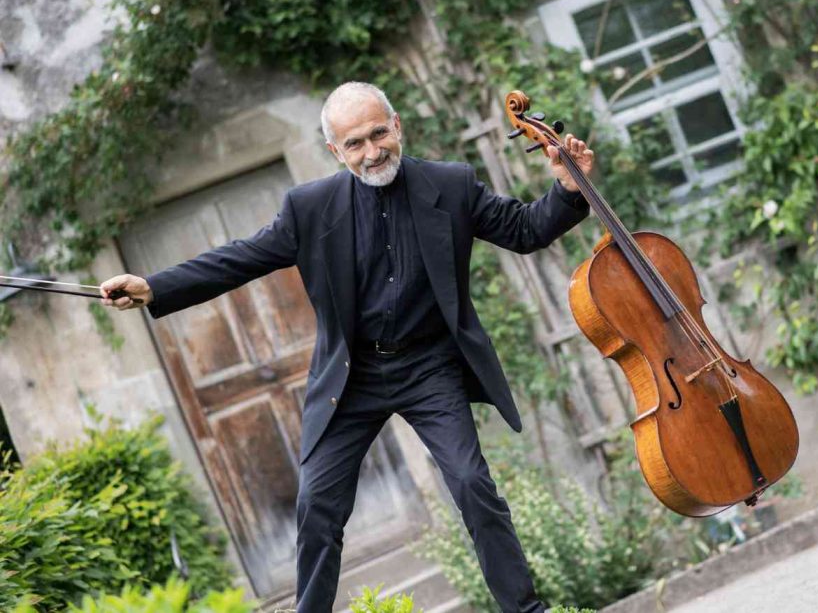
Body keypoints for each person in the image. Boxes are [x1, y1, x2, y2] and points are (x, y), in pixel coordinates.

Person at [100, 81, 594, 613]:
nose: (372, 151)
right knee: (317, 507)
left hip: (430, 367)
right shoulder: (310, 209)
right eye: (354, 143)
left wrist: (568, 191)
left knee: (474, 484)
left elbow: (523, 230)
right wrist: (155, 286)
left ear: (397, 125)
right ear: (335, 151)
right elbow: (238, 258)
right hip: (353, 377)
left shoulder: (450, 186)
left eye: (379, 133)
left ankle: (525, 610)